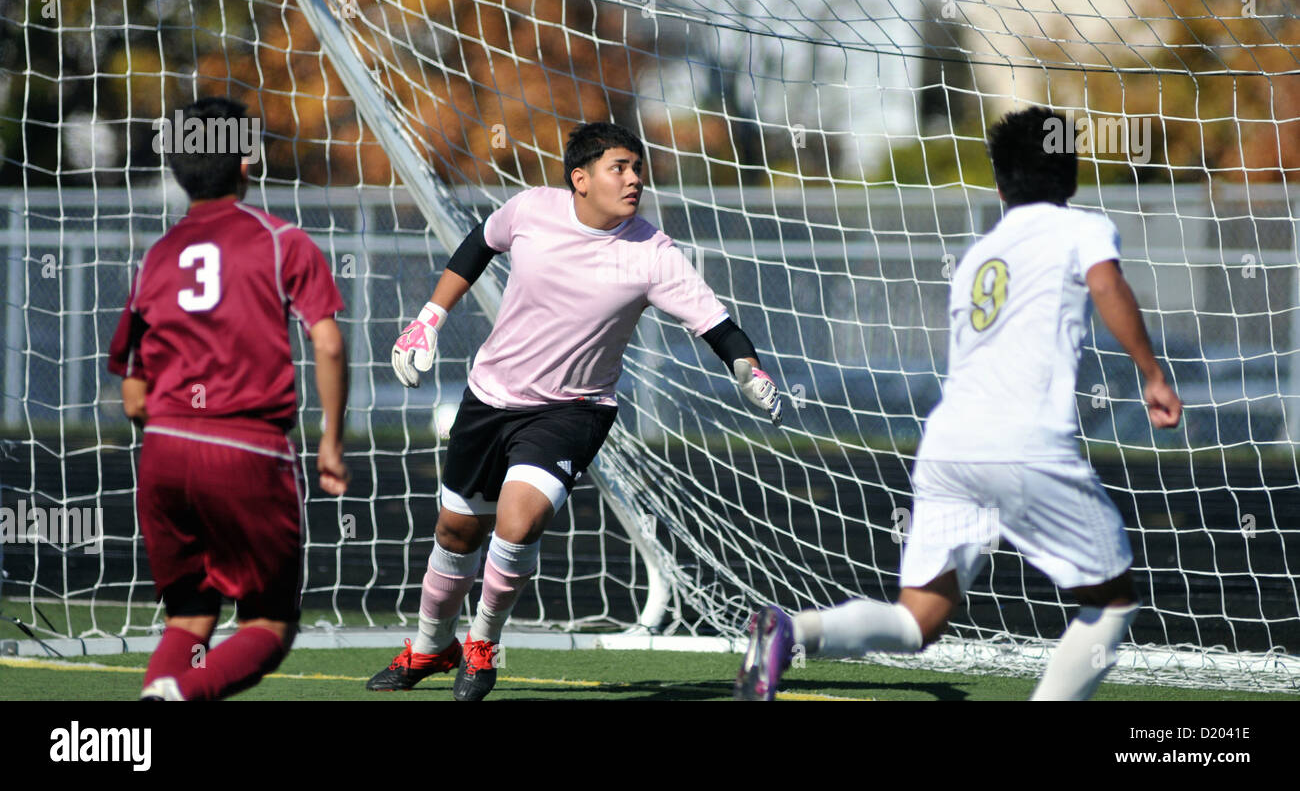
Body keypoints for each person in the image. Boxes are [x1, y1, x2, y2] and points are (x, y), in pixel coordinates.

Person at [735, 106, 1183, 701]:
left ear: (999, 185)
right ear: (1071, 176)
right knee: (1115, 597)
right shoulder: (1081, 227)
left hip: (947, 445)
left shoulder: (978, 257)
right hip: (1022, 443)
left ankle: (794, 631)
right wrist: (1152, 373)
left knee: (918, 621)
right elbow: (1107, 284)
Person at [369, 121, 783, 700]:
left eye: (638, 169)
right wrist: (429, 319)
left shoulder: (653, 253)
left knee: (519, 522)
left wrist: (749, 370)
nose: (635, 179)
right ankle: (429, 648)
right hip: (490, 397)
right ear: (580, 179)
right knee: (457, 531)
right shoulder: (532, 209)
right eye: (621, 168)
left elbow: (718, 326)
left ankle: (482, 645)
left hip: (573, 409)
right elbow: (479, 244)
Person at [107, 97, 349, 701]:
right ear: (246, 162)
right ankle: (181, 696)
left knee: (190, 616)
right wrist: (331, 444)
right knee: (268, 620)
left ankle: (156, 700)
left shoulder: (157, 257)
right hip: (246, 446)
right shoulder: (280, 242)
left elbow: (133, 394)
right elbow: (330, 345)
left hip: (164, 451)